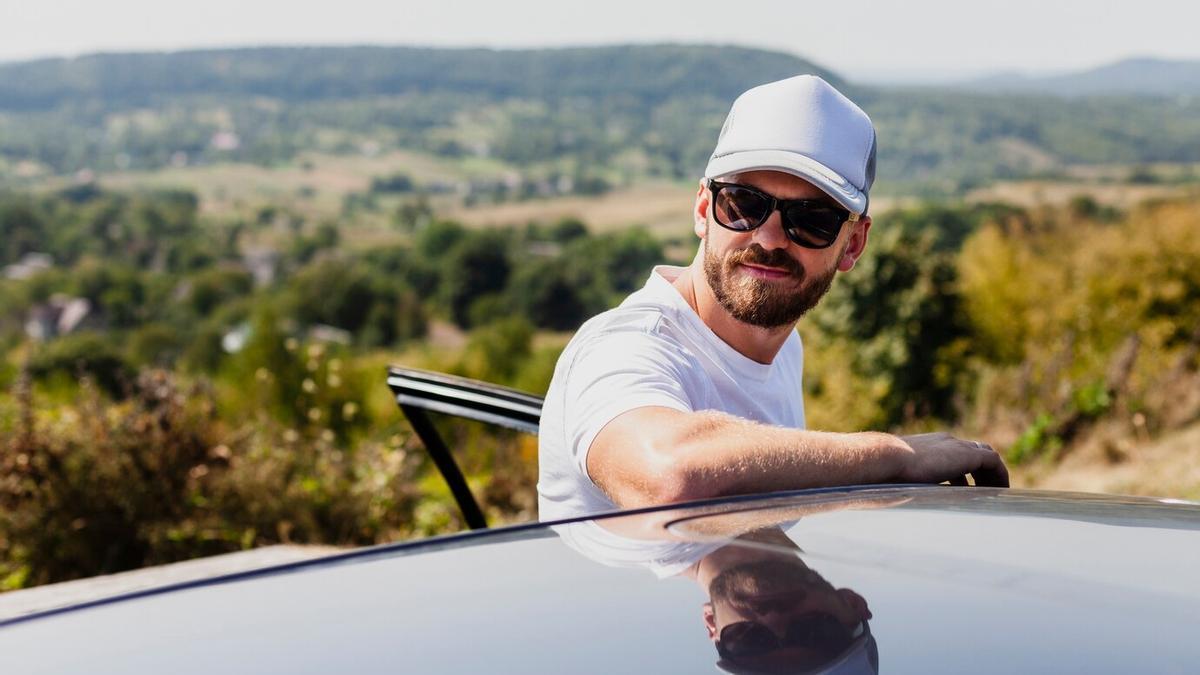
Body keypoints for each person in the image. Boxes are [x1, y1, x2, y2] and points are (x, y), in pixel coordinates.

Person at [538, 74, 1007, 522]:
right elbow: (668, 476)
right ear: (704, 210)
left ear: (854, 244)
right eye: (743, 204)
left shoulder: (781, 346)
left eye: (813, 219)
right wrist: (897, 457)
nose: (770, 237)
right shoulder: (623, 346)